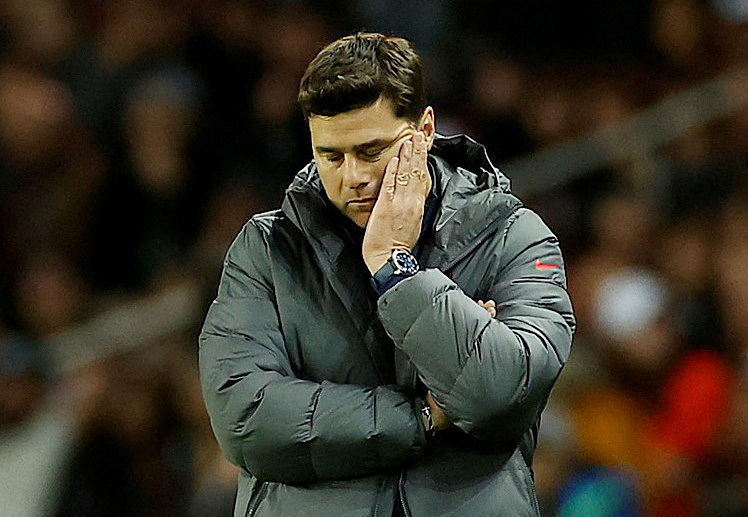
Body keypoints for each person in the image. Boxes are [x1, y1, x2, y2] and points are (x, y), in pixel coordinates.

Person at [199, 32, 575, 517]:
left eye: (372, 151)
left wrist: (396, 267)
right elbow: (246, 418)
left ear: (424, 129)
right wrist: (423, 414)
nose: (351, 175)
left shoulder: (513, 236)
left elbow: (499, 394)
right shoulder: (267, 250)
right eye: (329, 155)